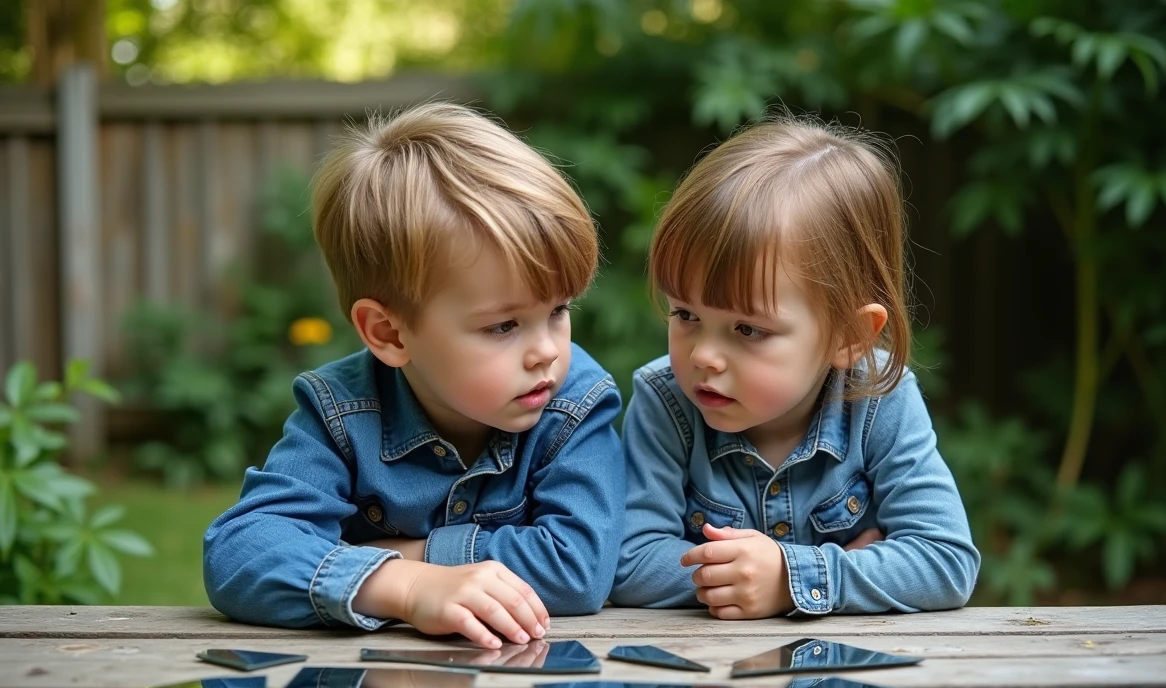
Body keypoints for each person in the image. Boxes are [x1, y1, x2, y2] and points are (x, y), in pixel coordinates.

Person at [204, 102, 624, 648]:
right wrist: (402, 584)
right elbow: (238, 551)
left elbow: (579, 568)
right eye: (503, 327)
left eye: (559, 311)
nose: (546, 351)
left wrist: (410, 553)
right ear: (389, 334)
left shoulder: (574, 402)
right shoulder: (343, 413)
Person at [611, 113, 979, 617]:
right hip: (707, 686)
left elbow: (944, 562)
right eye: (686, 314)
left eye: (748, 329)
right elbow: (629, 562)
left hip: (853, 685)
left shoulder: (879, 398)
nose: (702, 356)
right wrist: (835, 572)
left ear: (848, 336)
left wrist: (791, 577)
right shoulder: (666, 401)